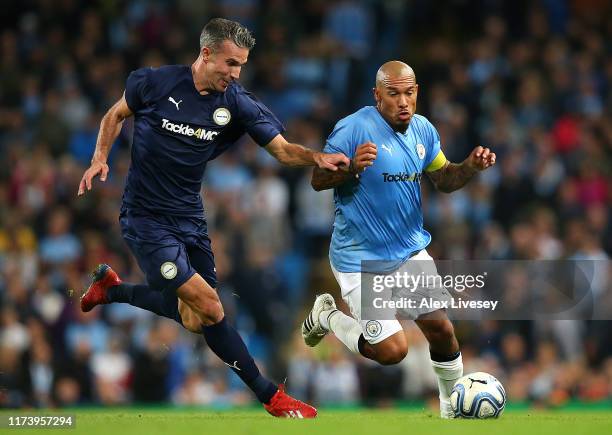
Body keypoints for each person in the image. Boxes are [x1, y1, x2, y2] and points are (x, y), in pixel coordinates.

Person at [77, 18, 349, 419]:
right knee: (211, 307)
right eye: (230, 63)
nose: (236, 74)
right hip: (145, 219)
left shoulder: (235, 102)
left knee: (193, 319)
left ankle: (112, 290)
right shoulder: (153, 83)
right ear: (206, 54)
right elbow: (114, 115)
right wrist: (100, 156)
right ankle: (271, 396)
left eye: (241, 65)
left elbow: (281, 149)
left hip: (190, 219)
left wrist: (315, 157)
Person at [301, 61, 496, 418]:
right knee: (392, 352)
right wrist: (352, 168)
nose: (403, 102)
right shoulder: (353, 128)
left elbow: (445, 180)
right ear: (377, 96)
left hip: (408, 253)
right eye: (393, 94)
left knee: (442, 331)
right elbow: (317, 179)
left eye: (409, 93)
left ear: (417, 92)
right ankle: (327, 316)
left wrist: (470, 166)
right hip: (360, 259)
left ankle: (451, 412)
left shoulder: (422, 130)